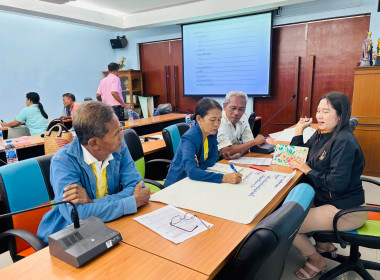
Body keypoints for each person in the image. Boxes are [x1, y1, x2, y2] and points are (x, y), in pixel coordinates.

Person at [37, 101, 150, 243]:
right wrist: (130, 202)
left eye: (120, 129)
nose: (121, 136)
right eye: (116, 134)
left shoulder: (119, 147)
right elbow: (77, 215)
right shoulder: (63, 162)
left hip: (110, 225)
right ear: (94, 143)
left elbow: (137, 187)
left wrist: (91, 203)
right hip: (70, 236)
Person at [288, 92, 367, 279]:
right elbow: (299, 155)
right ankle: (325, 246)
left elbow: (336, 183)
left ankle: (317, 260)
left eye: (326, 111)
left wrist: (308, 170)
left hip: (346, 210)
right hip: (329, 200)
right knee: (291, 206)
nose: (319, 116)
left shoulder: (344, 141)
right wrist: (298, 131)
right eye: (318, 111)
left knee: (289, 225)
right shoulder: (323, 133)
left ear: (340, 116)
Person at [164, 98, 242, 187]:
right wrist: (224, 178)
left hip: (196, 182)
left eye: (219, 120)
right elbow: (192, 172)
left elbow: (212, 160)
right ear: (199, 119)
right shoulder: (189, 138)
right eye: (212, 120)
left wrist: (198, 167)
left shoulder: (211, 133)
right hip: (177, 185)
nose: (216, 124)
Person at [217, 91, 266, 159]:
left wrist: (240, 153)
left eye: (241, 109)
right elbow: (226, 150)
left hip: (235, 159)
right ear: (224, 106)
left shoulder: (243, 117)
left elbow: (248, 144)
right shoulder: (219, 120)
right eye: (233, 108)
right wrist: (254, 142)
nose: (237, 113)